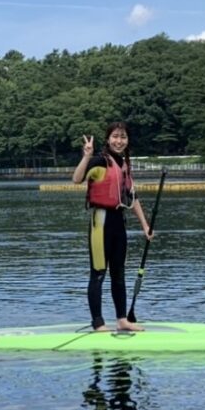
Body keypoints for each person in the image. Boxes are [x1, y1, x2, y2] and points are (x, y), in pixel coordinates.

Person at [72, 122, 153, 332]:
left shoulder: (124, 165)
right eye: (115, 137)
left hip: (119, 223)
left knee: (119, 274)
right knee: (98, 273)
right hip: (101, 222)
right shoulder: (99, 161)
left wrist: (145, 226)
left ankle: (122, 320)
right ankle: (98, 322)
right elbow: (76, 179)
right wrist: (86, 155)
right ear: (108, 139)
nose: (119, 141)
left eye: (123, 137)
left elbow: (133, 198)